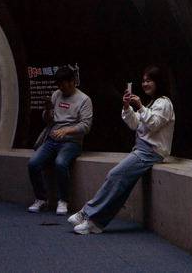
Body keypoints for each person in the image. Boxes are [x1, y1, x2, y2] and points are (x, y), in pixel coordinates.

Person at [69, 65, 174, 234]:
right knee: (121, 186)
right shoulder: (152, 103)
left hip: (150, 152)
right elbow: (135, 124)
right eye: (144, 81)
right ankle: (95, 223)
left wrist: (139, 105)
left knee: (115, 175)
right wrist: (127, 107)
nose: (145, 84)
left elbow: (154, 124)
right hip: (141, 149)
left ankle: (87, 214)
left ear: (159, 82)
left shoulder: (164, 103)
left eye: (149, 80)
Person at [27, 66, 93, 216]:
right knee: (33, 164)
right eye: (59, 85)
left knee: (60, 163)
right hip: (52, 139)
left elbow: (86, 126)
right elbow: (47, 120)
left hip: (71, 142)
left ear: (73, 82)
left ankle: (63, 200)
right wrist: (48, 111)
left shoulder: (84, 100)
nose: (61, 88)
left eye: (64, 84)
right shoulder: (56, 94)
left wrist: (66, 130)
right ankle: (41, 199)